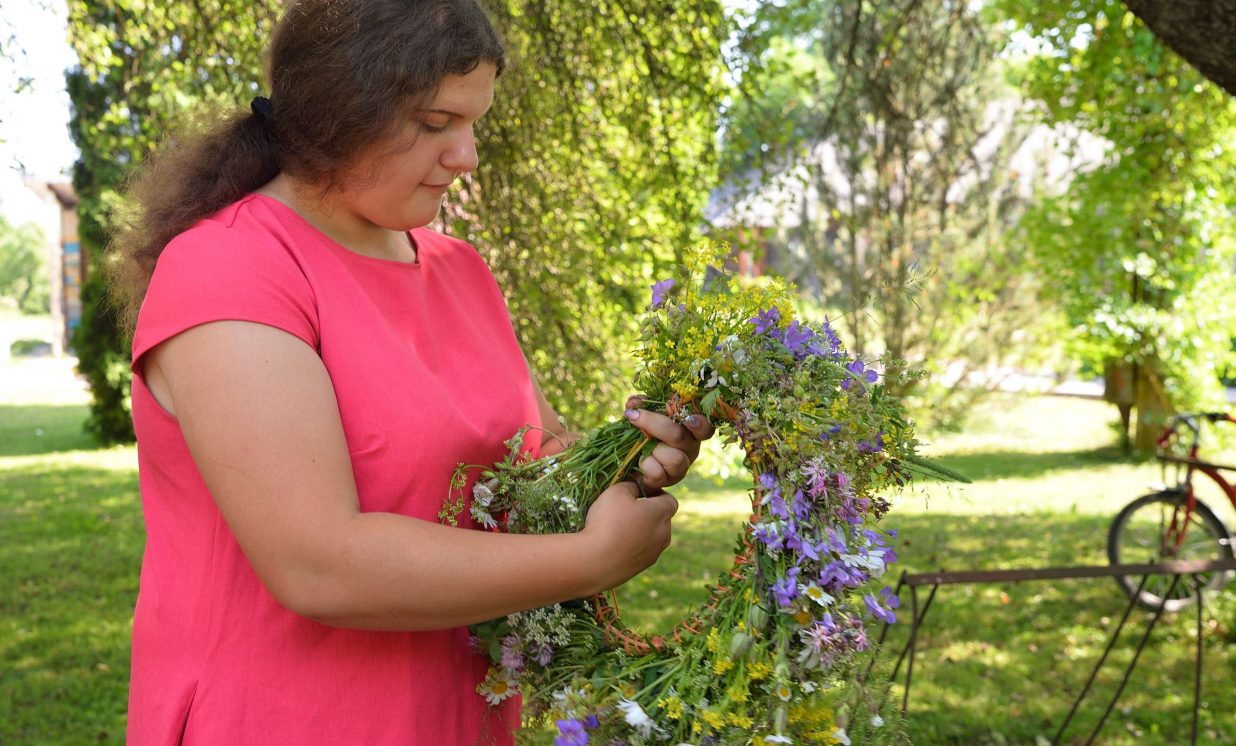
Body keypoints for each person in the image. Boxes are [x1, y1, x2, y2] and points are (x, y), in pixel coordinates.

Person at [111, 1, 714, 743]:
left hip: (454, 718)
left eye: (474, 123)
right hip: (283, 719)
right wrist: (589, 559)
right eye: (435, 124)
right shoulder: (230, 267)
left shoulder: (461, 270)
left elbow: (530, 469)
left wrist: (622, 463)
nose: (467, 156)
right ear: (337, 114)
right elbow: (318, 565)